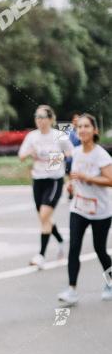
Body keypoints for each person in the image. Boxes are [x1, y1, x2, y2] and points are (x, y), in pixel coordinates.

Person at [58, 113, 112, 306]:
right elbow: (75, 176)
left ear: (94, 130)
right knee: (74, 247)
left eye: (86, 126)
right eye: (79, 127)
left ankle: (111, 281)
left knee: (99, 249)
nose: (82, 130)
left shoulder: (101, 155)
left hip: (101, 211)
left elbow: (110, 180)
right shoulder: (76, 152)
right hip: (79, 207)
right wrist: (71, 185)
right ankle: (71, 290)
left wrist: (87, 178)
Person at [18, 105, 72, 268]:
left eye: (42, 117)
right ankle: (61, 240)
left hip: (54, 179)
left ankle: (41, 255)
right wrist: (30, 153)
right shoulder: (32, 136)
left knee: (44, 215)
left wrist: (59, 160)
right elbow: (21, 155)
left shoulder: (59, 136)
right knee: (44, 217)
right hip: (38, 180)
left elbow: (71, 154)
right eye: (37, 117)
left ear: (50, 119)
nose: (39, 120)